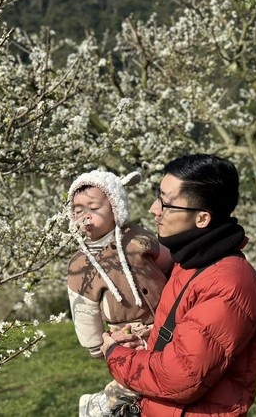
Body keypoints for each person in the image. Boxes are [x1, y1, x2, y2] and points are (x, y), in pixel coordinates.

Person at [101, 154, 256, 416]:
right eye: (159, 197)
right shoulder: (191, 261)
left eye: (167, 204)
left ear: (202, 219)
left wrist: (117, 355)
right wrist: (149, 338)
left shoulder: (228, 284)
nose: (154, 209)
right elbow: (188, 334)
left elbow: (182, 377)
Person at [66, 169, 172, 416]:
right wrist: (94, 344)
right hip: (126, 331)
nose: (85, 216)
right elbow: (83, 307)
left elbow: (168, 262)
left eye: (93, 208)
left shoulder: (138, 238)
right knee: (137, 377)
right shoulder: (80, 265)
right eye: (78, 210)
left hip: (165, 318)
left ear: (115, 208)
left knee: (166, 373)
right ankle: (101, 404)